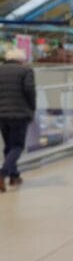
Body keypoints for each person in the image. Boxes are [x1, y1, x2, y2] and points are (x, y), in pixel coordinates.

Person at [0, 48, 36, 192]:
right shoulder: (26, 71)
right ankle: (3, 173)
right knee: (17, 146)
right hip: (20, 114)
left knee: (9, 146)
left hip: (1, 114)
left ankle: (14, 176)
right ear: (21, 60)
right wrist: (32, 108)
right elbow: (29, 91)